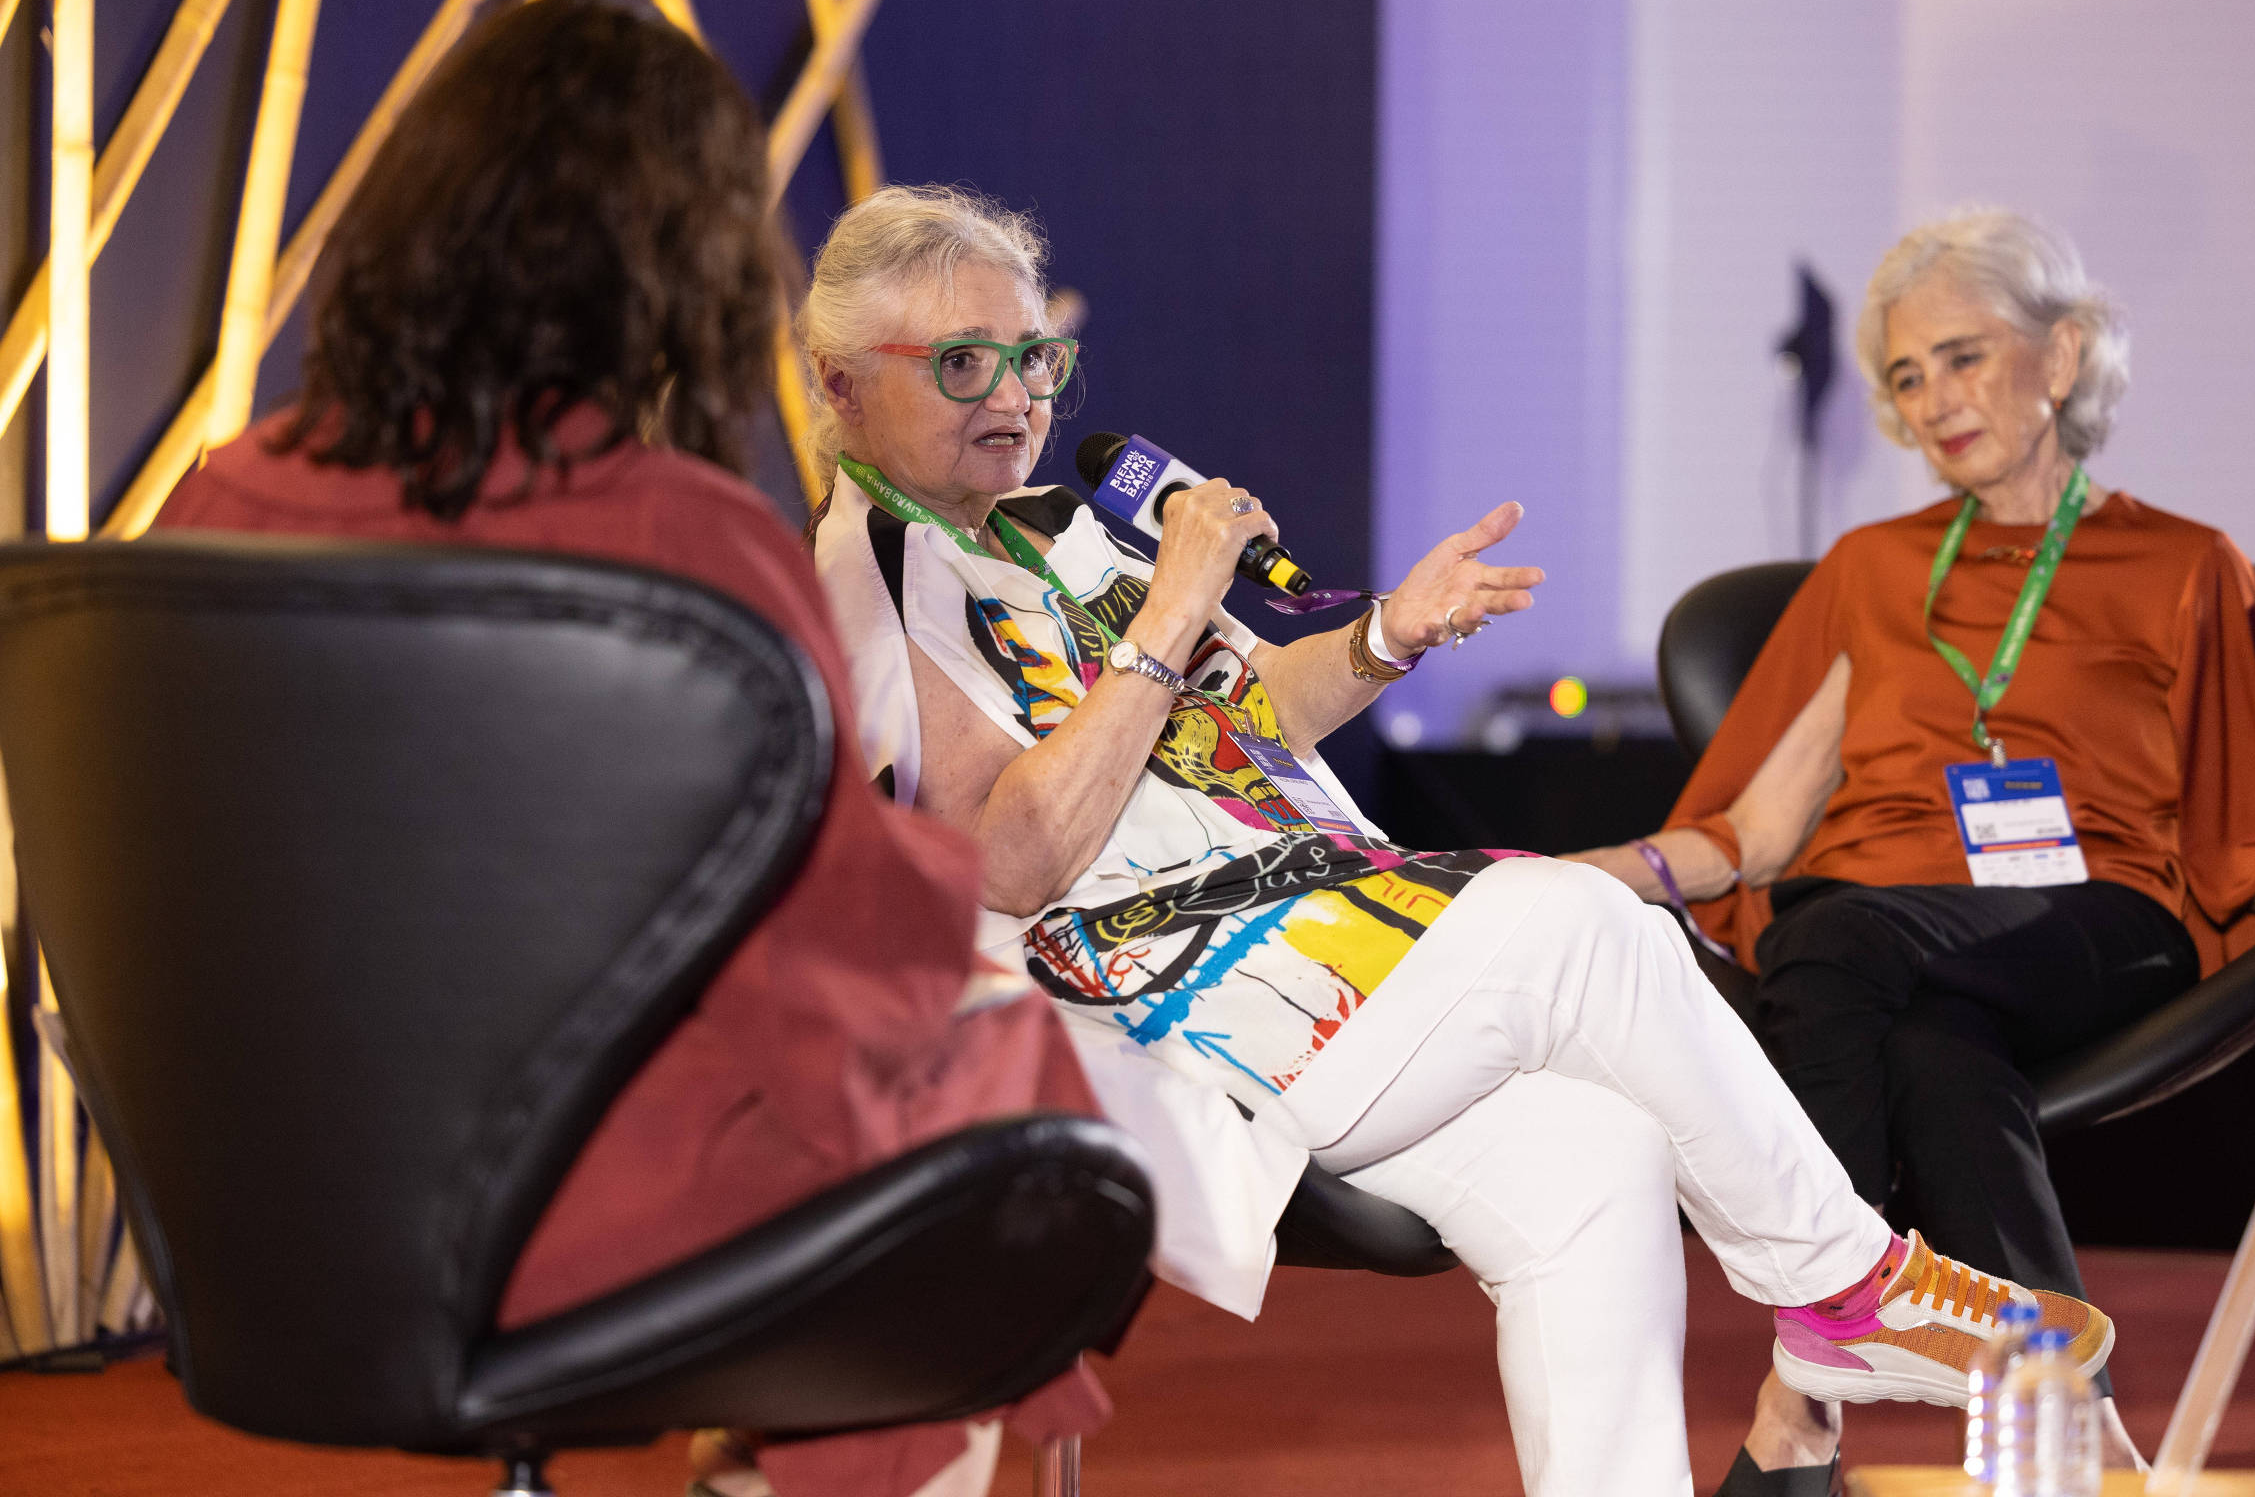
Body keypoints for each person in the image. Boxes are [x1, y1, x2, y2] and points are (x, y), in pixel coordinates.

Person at [805, 183, 2113, 1497]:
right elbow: (1015, 863)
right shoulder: (871, 575)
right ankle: (1844, 1286)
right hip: (1173, 1003)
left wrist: (1389, 635)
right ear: (845, 386)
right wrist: (1173, 611)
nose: (1016, 394)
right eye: (964, 362)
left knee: (1599, 1166)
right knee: (1591, 925)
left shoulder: (1050, 526)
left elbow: (1246, 720)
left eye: (1036, 357)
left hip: (1316, 938)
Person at [153, 0, 1103, 1497]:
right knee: (992, 1107)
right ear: (691, 265)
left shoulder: (216, 503)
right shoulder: (684, 542)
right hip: (559, 1201)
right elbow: (829, 936)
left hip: (267, 1211)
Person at [1573, 206, 2255, 1492]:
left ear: (2060, 359)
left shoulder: (2185, 563)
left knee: (1834, 940)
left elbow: (2244, 817)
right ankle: (2087, 1447)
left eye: (1963, 356)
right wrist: (1550, 880)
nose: (1934, 399)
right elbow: (1757, 828)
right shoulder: (1867, 568)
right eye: (1908, 376)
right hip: (1880, 934)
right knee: (1930, 1054)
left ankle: (1807, 1383)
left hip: (2089, 918)